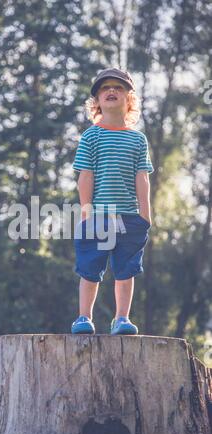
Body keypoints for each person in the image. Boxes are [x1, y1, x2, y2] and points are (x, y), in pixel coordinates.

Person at [71, 68, 154, 335]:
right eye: (105, 88)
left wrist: (145, 214)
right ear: (96, 101)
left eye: (118, 88)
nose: (111, 91)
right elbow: (85, 176)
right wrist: (86, 211)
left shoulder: (137, 139)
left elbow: (142, 178)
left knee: (125, 271)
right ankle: (84, 317)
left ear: (129, 99)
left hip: (129, 216)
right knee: (89, 270)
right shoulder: (91, 136)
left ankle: (121, 318)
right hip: (97, 216)